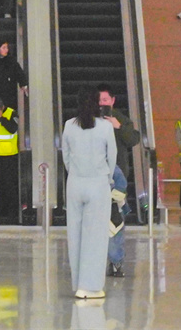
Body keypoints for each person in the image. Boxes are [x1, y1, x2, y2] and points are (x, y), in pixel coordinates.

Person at [63, 89, 116, 300]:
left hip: (75, 182)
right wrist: (107, 177)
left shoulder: (69, 125)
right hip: (98, 183)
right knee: (95, 237)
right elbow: (112, 156)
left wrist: (75, 172)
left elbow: (66, 156)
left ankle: (78, 284)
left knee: (75, 234)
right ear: (97, 104)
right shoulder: (105, 127)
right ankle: (91, 287)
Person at [97, 85, 141, 278]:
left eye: (105, 100)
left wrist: (118, 127)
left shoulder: (121, 120)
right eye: (99, 101)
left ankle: (116, 262)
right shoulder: (89, 121)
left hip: (116, 179)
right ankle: (95, 261)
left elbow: (133, 139)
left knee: (115, 222)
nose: (102, 104)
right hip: (95, 176)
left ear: (113, 101)